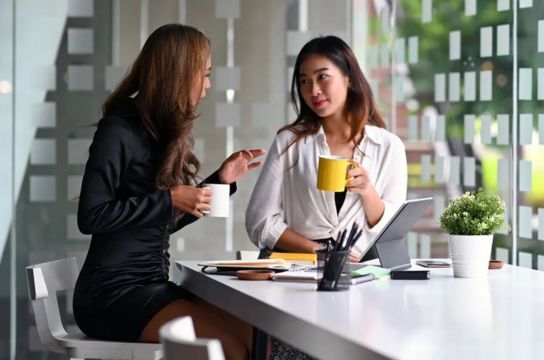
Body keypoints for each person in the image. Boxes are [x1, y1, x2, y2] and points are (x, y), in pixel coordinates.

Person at [73, 24, 265, 360]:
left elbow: (161, 220)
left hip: (153, 285)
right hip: (112, 294)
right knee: (231, 349)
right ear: (178, 74)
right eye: (204, 75)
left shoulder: (160, 129)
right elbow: (91, 216)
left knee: (258, 338)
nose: (207, 86)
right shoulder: (117, 129)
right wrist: (169, 199)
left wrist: (221, 179)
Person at [245, 35, 407, 263]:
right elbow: (259, 222)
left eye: (322, 77)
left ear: (348, 79)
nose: (314, 90)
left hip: (361, 274)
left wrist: (368, 191)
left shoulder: (389, 147)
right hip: (298, 271)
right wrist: (318, 251)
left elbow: (392, 233)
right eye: (304, 81)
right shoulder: (289, 142)